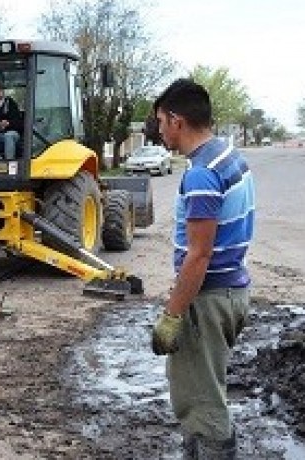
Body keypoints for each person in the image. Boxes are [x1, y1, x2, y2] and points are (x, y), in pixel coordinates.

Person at [150, 79, 255, 459]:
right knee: (208, 390)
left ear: (177, 121)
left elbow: (199, 255)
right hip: (232, 291)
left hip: (207, 299)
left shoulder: (201, 175)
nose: (159, 130)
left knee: (201, 405)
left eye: (161, 121)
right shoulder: (229, 157)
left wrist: (172, 314)